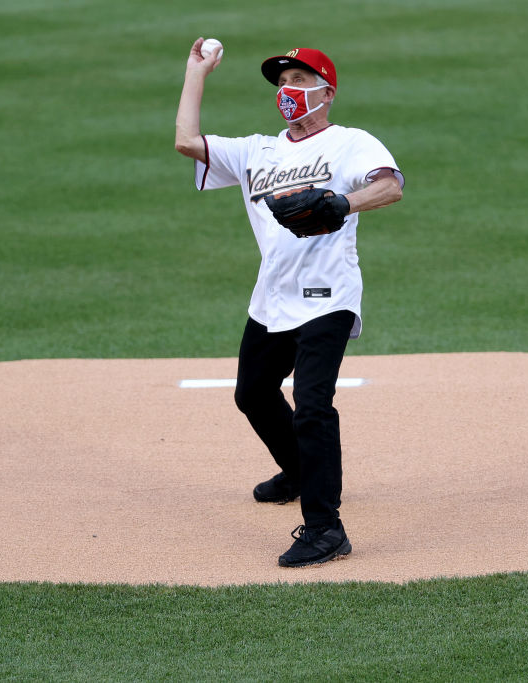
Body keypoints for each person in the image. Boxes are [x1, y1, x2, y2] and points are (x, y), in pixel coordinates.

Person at [174, 38, 404, 567]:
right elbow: (187, 142)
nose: (288, 91)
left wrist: (342, 202)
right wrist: (197, 72)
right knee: (252, 393)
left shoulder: (351, 143)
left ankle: (327, 529)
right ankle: (298, 472)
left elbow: (390, 187)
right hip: (272, 297)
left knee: (312, 405)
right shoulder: (258, 150)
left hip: (329, 296)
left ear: (327, 92)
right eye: (282, 84)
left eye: (299, 82)